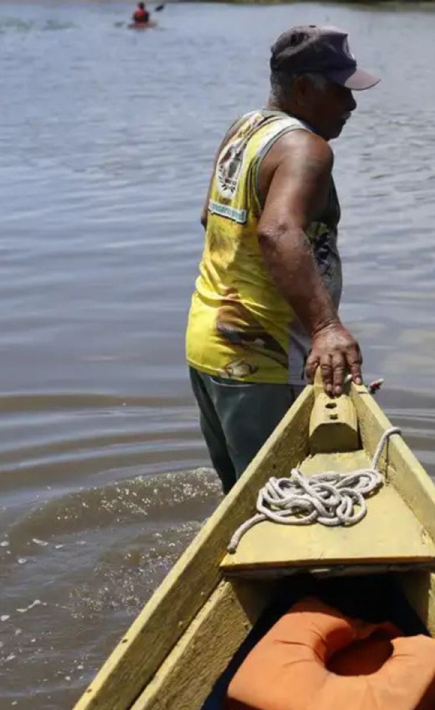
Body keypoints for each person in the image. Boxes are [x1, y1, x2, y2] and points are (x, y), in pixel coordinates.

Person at [185, 25, 380, 493]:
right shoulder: (306, 149)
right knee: (285, 513)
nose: (351, 105)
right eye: (339, 91)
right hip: (264, 360)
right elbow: (277, 231)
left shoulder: (245, 129)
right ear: (302, 88)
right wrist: (325, 329)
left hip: (209, 346)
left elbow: (208, 217)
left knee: (247, 505)